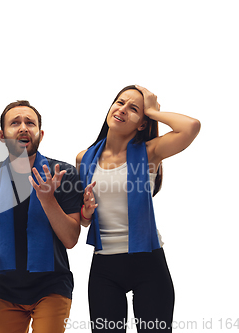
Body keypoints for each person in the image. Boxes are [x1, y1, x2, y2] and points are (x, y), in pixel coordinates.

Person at [76, 85, 200, 333]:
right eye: (119, 102)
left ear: (142, 123)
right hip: (104, 265)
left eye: (133, 109)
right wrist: (86, 212)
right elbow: (84, 220)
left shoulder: (151, 152)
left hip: (148, 262)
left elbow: (191, 126)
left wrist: (153, 111)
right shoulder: (84, 158)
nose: (122, 110)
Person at [0, 100, 83, 333]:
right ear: (2, 134)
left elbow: (70, 239)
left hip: (52, 286)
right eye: (14, 123)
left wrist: (48, 199)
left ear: (40, 134)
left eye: (30, 123)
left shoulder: (62, 174)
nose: (23, 128)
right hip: (8, 290)